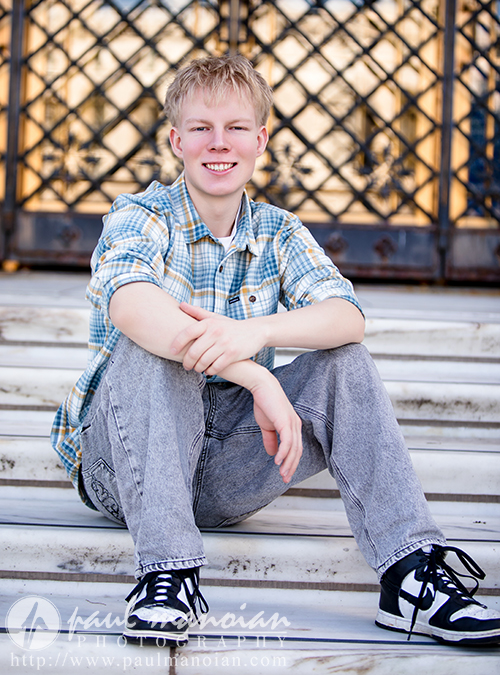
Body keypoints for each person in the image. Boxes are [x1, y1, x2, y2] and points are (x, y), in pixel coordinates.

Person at [51, 55, 500, 647]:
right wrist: (258, 379)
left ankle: (411, 575)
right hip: (125, 465)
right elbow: (132, 304)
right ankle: (166, 572)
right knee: (149, 345)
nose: (219, 143)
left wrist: (258, 332)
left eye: (237, 128)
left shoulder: (279, 231)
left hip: (228, 469)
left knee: (345, 361)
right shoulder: (141, 214)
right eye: (202, 128)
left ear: (261, 139)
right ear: (175, 139)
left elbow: (347, 317)